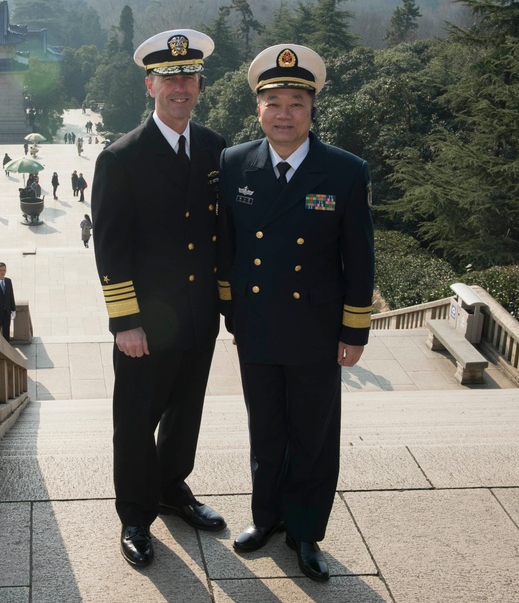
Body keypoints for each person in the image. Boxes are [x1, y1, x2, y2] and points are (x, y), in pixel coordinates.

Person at [218, 44, 375, 583]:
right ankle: (268, 518)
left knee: (312, 433)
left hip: (315, 329)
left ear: (312, 110)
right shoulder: (236, 163)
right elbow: (229, 246)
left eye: (296, 103)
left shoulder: (345, 172)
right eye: (273, 102)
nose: (284, 113)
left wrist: (354, 329)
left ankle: (305, 531)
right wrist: (230, 312)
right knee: (266, 429)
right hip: (257, 325)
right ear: (257, 110)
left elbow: (359, 257)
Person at [92, 29, 228, 569]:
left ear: (200, 85)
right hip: (145, 323)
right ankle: (135, 515)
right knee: (135, 419)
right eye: (169, 77)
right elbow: (111, 248)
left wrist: (229, 304)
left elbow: (223, 237)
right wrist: (125, 321)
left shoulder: (218, 148)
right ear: (150, 84)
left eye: (189, 77)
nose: (180, 87)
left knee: (185, 413)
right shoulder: (121, 157)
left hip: (199, 315)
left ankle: (173, 488)